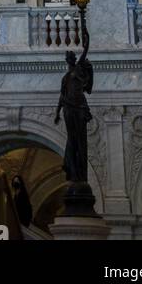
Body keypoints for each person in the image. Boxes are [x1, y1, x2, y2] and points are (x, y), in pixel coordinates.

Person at [54, 19, 94, 184]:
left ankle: (79, 170)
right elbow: (61, 96)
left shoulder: (78, 68)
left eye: (71, 56)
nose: (70, 58)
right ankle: (72, 166)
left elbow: (85, 49)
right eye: (68, 57)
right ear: (66, 60)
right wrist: (57, 113)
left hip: (79, 107)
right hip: (69, 108)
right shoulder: (65, 78)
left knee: (79, 139)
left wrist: (86, 34)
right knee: (72, 138)